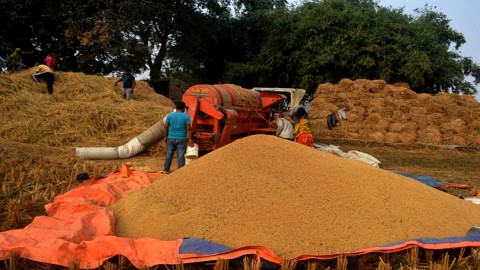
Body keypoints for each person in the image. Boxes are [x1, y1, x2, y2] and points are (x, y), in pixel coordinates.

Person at [162, 101, 193, 174]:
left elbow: (166, 127)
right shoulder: (186, 116)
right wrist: (190, 139)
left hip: (171, 138)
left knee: (169, 153)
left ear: (176, 108)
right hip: (181, 138)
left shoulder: (170, 115)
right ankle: (180, 172)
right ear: (184, 109)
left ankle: (166, 170)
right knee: (180, 154)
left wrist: (165, 137)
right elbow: (188, 129)